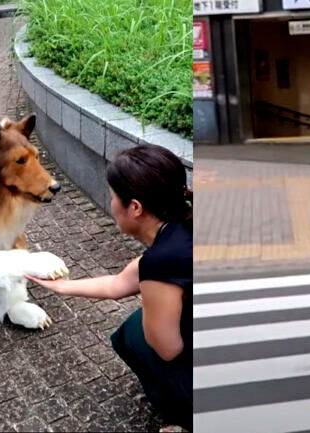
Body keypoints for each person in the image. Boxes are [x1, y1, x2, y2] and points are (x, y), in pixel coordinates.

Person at [26, 144, 192, 432]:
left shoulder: (163, 260)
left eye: (114, 196)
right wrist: (63, 286)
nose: (111, 201)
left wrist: (156, 314)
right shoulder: (186, 225)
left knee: (134, 332)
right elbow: (119, 284)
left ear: (135, 207)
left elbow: (167, 349)